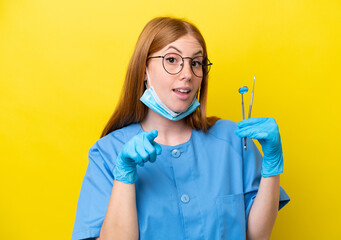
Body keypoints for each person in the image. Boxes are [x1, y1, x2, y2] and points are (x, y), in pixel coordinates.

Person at [72, 16, 290, 240]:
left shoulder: (233, 140)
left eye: (195, 63)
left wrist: (271, 167)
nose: (187, 74)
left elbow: (257, 236)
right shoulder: (108, 153)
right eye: (172, 60)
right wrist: (124, 178)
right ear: (144, 70)